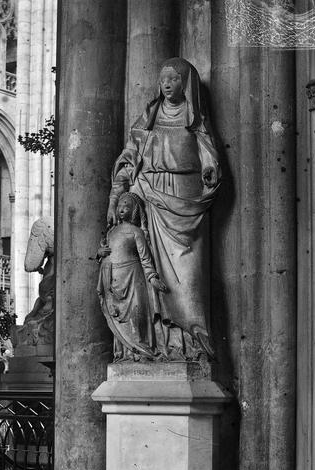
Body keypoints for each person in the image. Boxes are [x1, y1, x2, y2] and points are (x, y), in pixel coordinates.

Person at [106, 57, 221, 360]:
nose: (167, 84)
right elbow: (130, 155)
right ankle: (162, 344)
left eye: (174, 78)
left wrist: (210, 168)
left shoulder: (195, 118)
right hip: (147, 192)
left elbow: (207, 149)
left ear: (187, 83)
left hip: (184, 197)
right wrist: (117, 192)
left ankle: (194, 343)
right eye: (163, 79)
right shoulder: (150, 115)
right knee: (149, 272)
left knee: (187, 278)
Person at [97, 192, 167, 361]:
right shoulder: (111, 232)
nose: (122, 209)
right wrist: (100, 253)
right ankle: (125, 354)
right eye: (120, 205)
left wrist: (152, 277)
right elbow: (104, 253)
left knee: (137, 315)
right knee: (118, 319)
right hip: (112, 280)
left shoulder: (137, 232)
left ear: (134, 210)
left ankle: (140, 352)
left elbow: (145, 258)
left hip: (133, 278)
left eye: (127, 206)